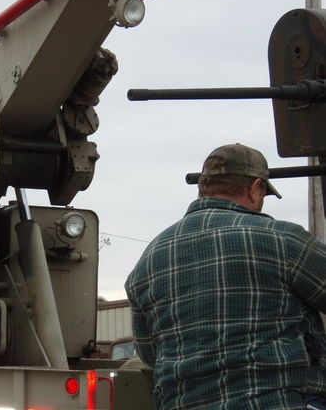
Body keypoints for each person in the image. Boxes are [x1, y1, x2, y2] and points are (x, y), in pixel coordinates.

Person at [125, 143, 326, 410]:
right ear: (255, 188)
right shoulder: (281, 239)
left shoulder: (148, 261)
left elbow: (151, 354)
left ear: (203, 186)